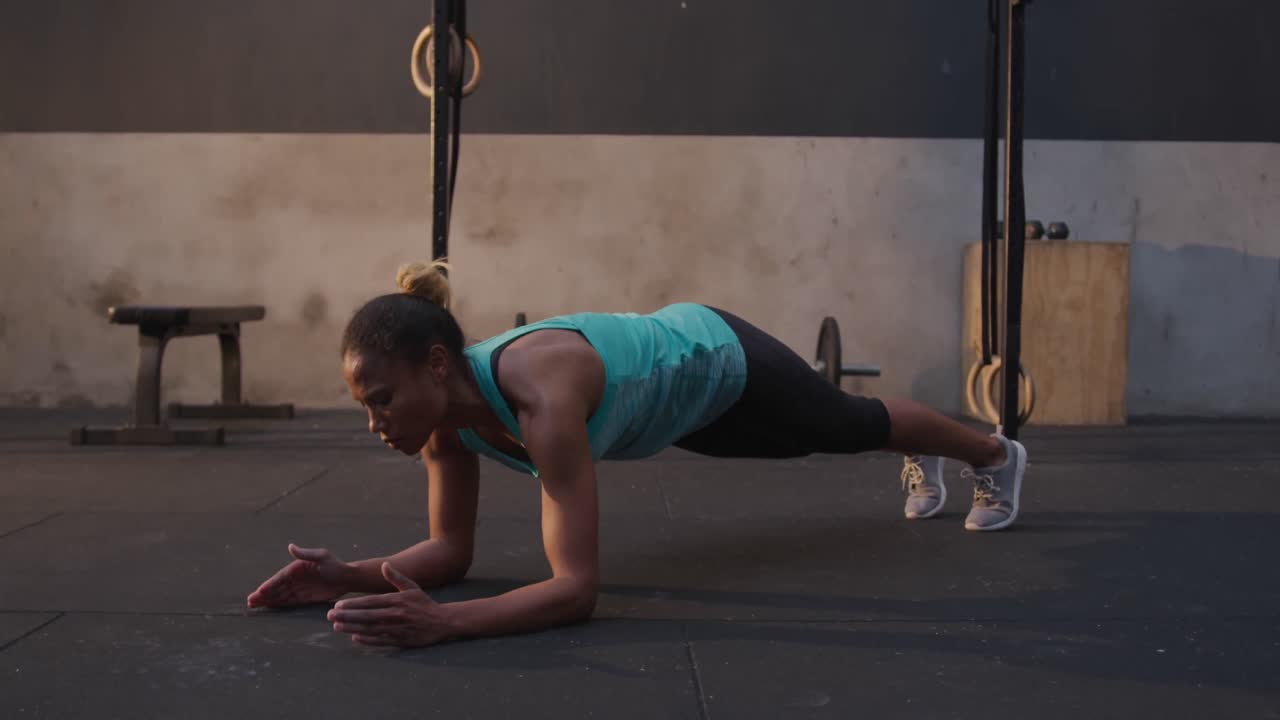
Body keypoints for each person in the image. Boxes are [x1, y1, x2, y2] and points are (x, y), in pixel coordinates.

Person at [246, 260, 1027, 648]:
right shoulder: (445, 426)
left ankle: (992, 453)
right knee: (817, 444)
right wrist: (346, 575)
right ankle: (919, 447)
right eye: (363, 405)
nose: (374, 421)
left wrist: (447, 626)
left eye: (381, 399)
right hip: (665, 417)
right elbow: (451, 551)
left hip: (715, 359)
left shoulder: (540, 403)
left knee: (848, 424)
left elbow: (576, 589)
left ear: (438, 368)